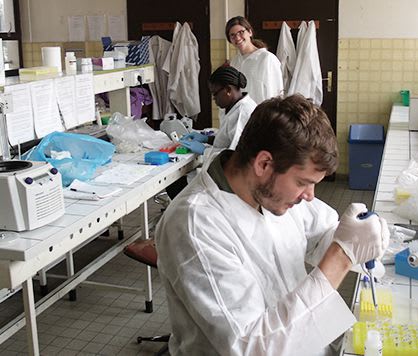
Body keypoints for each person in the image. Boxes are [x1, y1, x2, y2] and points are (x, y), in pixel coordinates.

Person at [155, 94, 390, 355]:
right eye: (303, 182)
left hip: (304, 339)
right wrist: (342, 256)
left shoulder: (272, 193)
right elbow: (253, 347)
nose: (310, 195)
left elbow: (327, 231)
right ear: (264, 163)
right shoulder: (195, 225)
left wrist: (363, 234)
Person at [179, 65, 257, 156]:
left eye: (215, 94)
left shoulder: (242, 113)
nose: (214, 98)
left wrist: (205, 150)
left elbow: (234, 156)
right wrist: (207, 139)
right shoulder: (235, 106)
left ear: (228, 90)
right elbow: (228, 140)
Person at [226, 16, 283, 105]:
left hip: (262, 115)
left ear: (250, 32)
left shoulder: (267, 59)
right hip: (242, 116)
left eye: (241, 32)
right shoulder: (235, 61)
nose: (237, 38)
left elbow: (276, 95)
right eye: (232, 35)